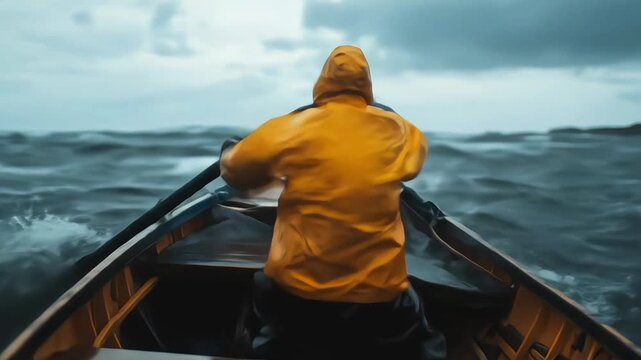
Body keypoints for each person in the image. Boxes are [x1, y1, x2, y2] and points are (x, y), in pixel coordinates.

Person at [221, 45, 446, 359]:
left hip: (297, 294)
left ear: (322, 81)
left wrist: (229, 152)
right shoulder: (401, 132)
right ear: (367, 84)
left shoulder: (290, 127)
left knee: (261, 303)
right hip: (379, 298)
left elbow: (236, 172)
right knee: (421, 330)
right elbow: (416, 155)